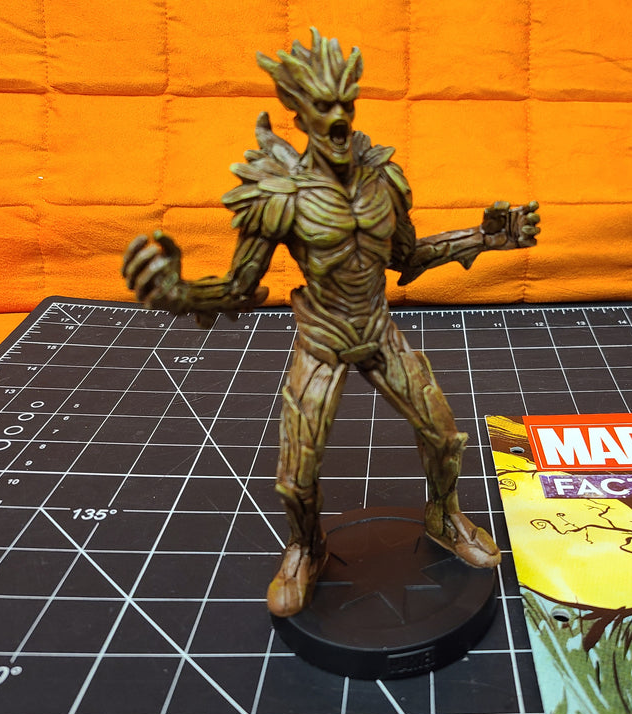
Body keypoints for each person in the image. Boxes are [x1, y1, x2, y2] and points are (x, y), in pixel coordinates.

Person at [123, 29, 540, 616]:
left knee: (443, 436)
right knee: (297, 477)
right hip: (322, 339)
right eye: (325, 106)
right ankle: (307, 547)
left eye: (346, 103)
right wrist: (179, 293)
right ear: (300, 113)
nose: (339, 117)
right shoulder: (280, 197)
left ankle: (444, 516)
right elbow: (241, 287)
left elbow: (408, 257)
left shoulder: (382, 181)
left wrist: (486, 238)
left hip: (378, 331)